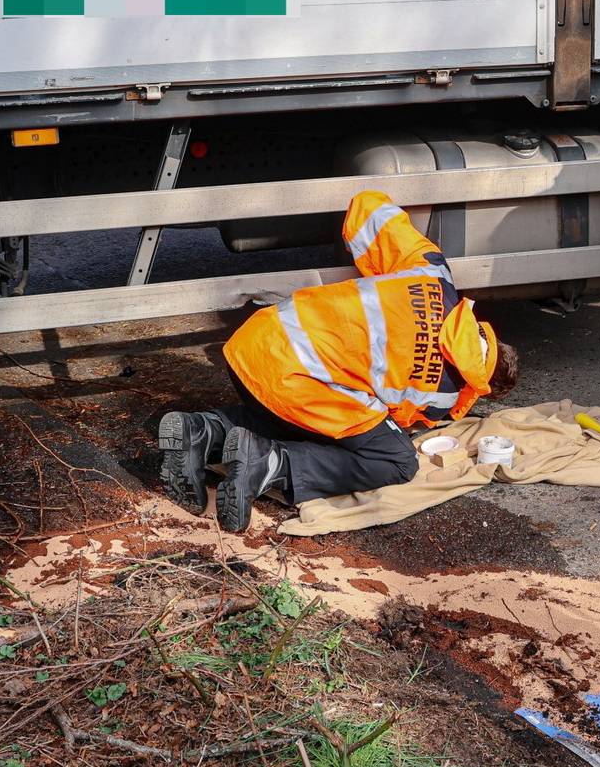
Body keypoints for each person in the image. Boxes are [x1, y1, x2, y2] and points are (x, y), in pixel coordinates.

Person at [156, 191, 517, 531]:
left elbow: (368, 208)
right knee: (395, 460)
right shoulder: (443, 396)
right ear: (482, 385)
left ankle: (202, 430)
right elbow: (377, 427)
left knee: (322, 414)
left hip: (255, 344)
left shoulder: (434, 275)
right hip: (298, 381)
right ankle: (272, 463)